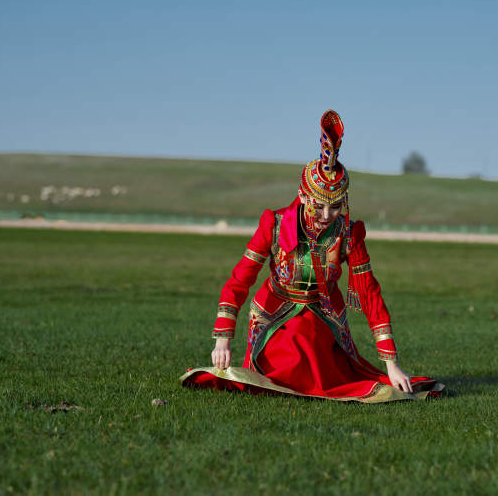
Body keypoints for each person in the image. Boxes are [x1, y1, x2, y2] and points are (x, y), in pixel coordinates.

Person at [180, 110, 444, 403]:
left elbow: (369, 293)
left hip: (324, 317)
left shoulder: (348, 233)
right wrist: (222, 339)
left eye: (335, 208)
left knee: (322, 364)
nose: (326, 216)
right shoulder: (275, 224)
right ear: (303, 195)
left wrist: (391, 364)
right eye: (319, 206)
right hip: (275, 316)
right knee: (290, 358)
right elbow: (239, 280)